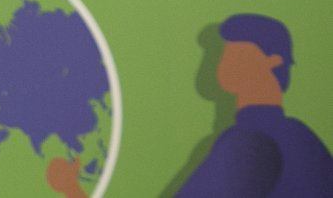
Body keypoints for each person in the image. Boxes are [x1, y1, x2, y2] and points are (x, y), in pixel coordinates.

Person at [46, 13, 333, 198]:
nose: (225, 60)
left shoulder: (252, 142)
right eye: (226, 52)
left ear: (274, 61)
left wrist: (72, 190)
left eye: (239, 52)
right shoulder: (300, 137)